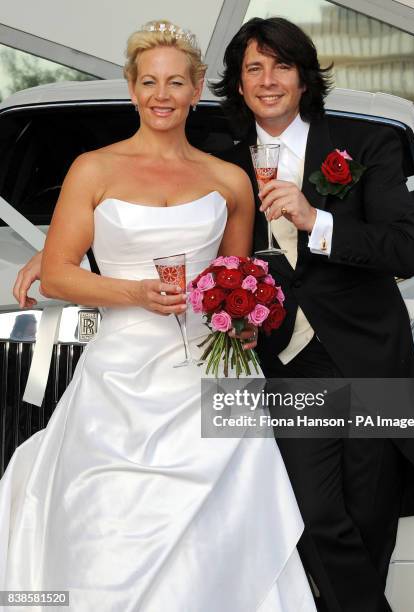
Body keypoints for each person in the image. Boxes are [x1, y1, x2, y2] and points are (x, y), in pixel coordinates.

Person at [1, 20, 317, 611]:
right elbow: (61, 272)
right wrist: (135, 293)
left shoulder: (229, 182)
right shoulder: (92, 170)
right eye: (149, 82)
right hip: (120, 375)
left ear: (197, 89)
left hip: (209, 372)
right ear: (131, 87)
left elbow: (235, 280)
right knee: (109, 520)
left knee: (223, 531)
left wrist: (245, 318)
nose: (161, 95)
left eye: (176, 82)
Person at [210, 16, 414, 612]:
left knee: (370, 512)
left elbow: (404, 251)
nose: (267, 80)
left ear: (304, 77)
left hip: (369, 354)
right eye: (253, 68)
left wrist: (318, 220)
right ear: (237, 83)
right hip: (284, 361)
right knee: (311, 513)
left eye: (281, 65)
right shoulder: (218, 162)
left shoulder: (364, 145)